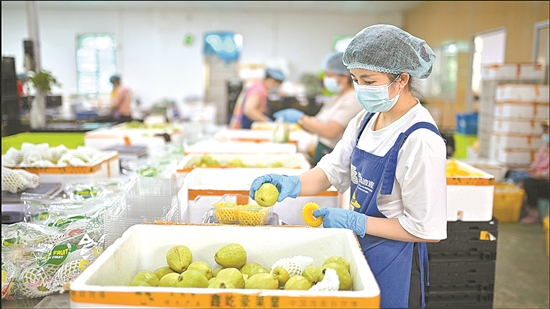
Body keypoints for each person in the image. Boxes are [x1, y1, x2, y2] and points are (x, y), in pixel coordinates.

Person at [249, 24, 447, 308]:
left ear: (402, 79)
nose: (360, 89)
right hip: (359, 247)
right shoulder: (365, 120)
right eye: (355, 79)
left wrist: (357, 221)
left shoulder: (421, 139)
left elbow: (425, 229)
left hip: (396, 259)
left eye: (368, 80)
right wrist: (291, 183)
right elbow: (332, 170)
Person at [273, 52, 362, 165]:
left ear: (344, 77)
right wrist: (302, 121)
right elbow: (318, 122)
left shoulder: (353, 99)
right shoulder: (335, 98)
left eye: (329, 76)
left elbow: (330, 131)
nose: (325, 79)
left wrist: (301, 118)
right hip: (322, 150)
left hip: (334, 154)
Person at [518, 121, 549, 224]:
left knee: (529, 183)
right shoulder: (545, 147)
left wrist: (539, 175)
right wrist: (530, 169)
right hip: (540, 178)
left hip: (546, 181)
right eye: (546, 132)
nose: (546, 135)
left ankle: (534, 213)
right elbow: (536, 163)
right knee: (512, 175)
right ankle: (522, 210)